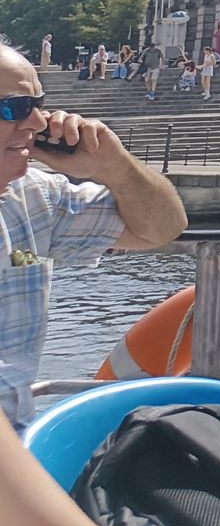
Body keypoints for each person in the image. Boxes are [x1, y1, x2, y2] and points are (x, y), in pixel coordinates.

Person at [0, 41, 189, 425]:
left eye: (39, 104)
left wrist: (114, 166)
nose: (37, 123)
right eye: (16, 108)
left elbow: (163, 229)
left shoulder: (37, 199)